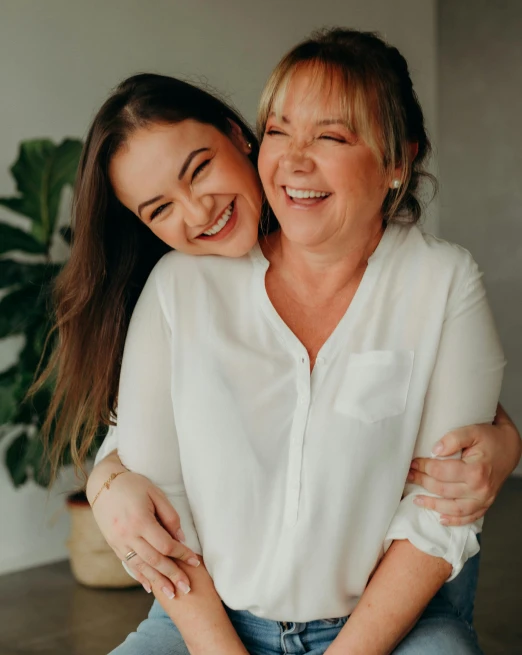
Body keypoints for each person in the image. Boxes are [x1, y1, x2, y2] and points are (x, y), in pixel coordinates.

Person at [41, 39, 520, 653]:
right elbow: (153, 478)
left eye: (331, 138)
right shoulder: (178, 284)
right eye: (160, 207)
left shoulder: (441, 281)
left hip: (383, 627)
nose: (198, 210)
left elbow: (445, 497)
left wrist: (505, 441)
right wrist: (108, 481)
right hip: (213, 621)